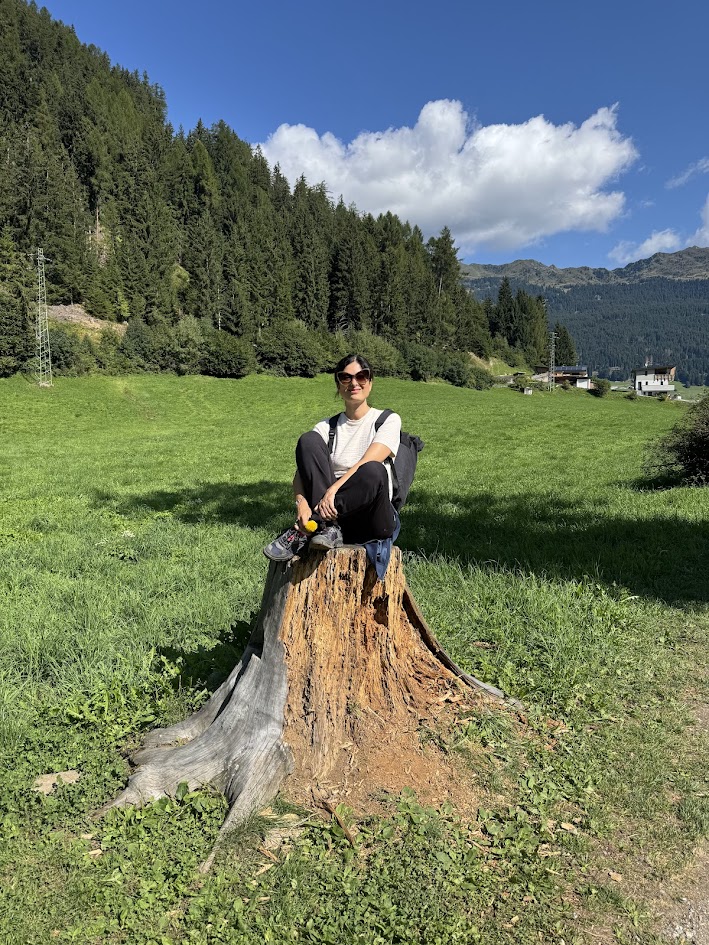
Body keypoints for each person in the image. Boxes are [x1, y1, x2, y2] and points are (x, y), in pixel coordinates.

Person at [264, 354, 401, 562]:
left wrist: (333, 490)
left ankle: (312, 526)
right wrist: (300, 502)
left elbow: (367, 461)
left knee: (374, 470)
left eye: (361, 376)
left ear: (370, 382)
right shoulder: (326, 427)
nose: (354, 383)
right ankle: (326, 527)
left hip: (371, 517)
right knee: (308, 440)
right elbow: (302, 473)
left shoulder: (387, 420)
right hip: (333, 518)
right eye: (345, 378)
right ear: (338, 385)